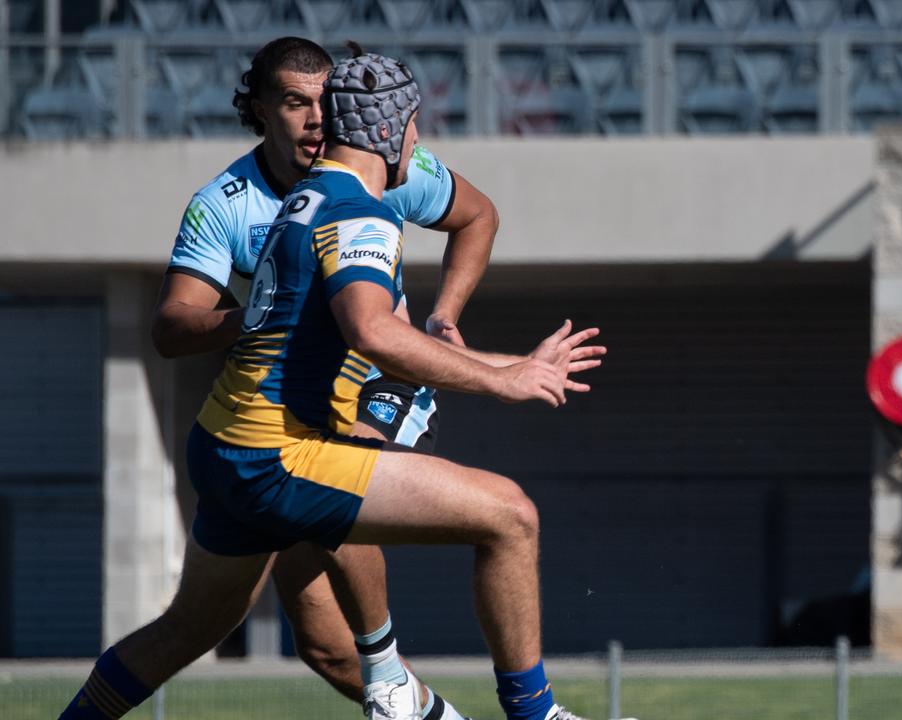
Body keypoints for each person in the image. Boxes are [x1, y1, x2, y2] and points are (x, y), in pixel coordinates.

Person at [60, 48, 611, 720]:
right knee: (510, 517)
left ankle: (389, 682)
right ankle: (517, 710)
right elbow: (373, 333)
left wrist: (454, 329)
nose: (419, 143)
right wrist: (506, 380)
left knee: (207, 631)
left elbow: (466, 227)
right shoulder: (351, 209)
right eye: (415, 128)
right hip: (281, 453)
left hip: (224, 439)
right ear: (392, 131)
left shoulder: (312, 194)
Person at [151, 36, 494, 712]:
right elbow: (170, 327)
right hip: (280, 411)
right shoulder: (225, 203)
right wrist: (259, 314)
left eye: (325, 102)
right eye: (294, 103)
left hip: (379, 387)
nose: (316, 119)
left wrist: (445, 317)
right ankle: (419, 701)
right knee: (318, 644)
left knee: (353, 481)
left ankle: (392, 666)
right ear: (258, 108)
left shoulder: (385, 164)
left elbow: (478, 215)